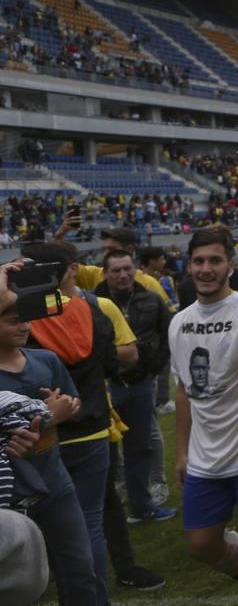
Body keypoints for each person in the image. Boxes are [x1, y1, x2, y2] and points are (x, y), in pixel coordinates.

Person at [170, 227, 238, 606]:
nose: (206, 269)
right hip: (204, 458)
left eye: (215, 260)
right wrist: (182, 452)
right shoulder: (179, 322)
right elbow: (183, 392)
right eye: (198, 261)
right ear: (189, 266)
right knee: (200, 543)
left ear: (230, 263)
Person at [0, 259, 104, 605]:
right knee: (21, 584)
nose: (22, 325)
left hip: (55, 483)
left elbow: (71, 404)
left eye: (25, 318)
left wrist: (61, 412)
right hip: (10, 495)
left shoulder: (46, 360)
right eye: (11, 319)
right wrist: (48, 414)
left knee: (79, 569)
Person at [95, 249, 171, 524]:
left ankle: (142, 506)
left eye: (127, 268)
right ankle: (109, 513)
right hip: (106, 385)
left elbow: (166, 335)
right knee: (105, 454)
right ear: (105, 273)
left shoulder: (152, 299)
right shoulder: (92, 304)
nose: (123, 274)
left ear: (135, 268)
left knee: (140, 447)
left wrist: (152, 367)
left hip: (141, 384)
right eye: (116, 270)